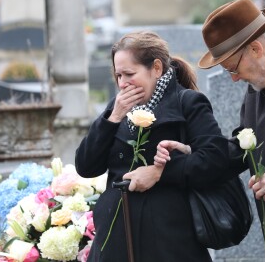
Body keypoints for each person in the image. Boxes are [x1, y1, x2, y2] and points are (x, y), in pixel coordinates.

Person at [75, 31, 232, 261]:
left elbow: (215, 159)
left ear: (156, 68)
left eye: (129, 74)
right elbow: (86, 166)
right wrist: (112, 119)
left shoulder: (187, 102)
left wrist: (160, 172)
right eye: (118, 75)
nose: (122, 83)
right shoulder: (117, 108)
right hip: (116, 239)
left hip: (170, 241)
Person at [156, 0, 265, 261]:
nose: (233, 78)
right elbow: (242, 146)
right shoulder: (259, 84)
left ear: (255, 49)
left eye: (233, 68)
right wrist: (192, 154)